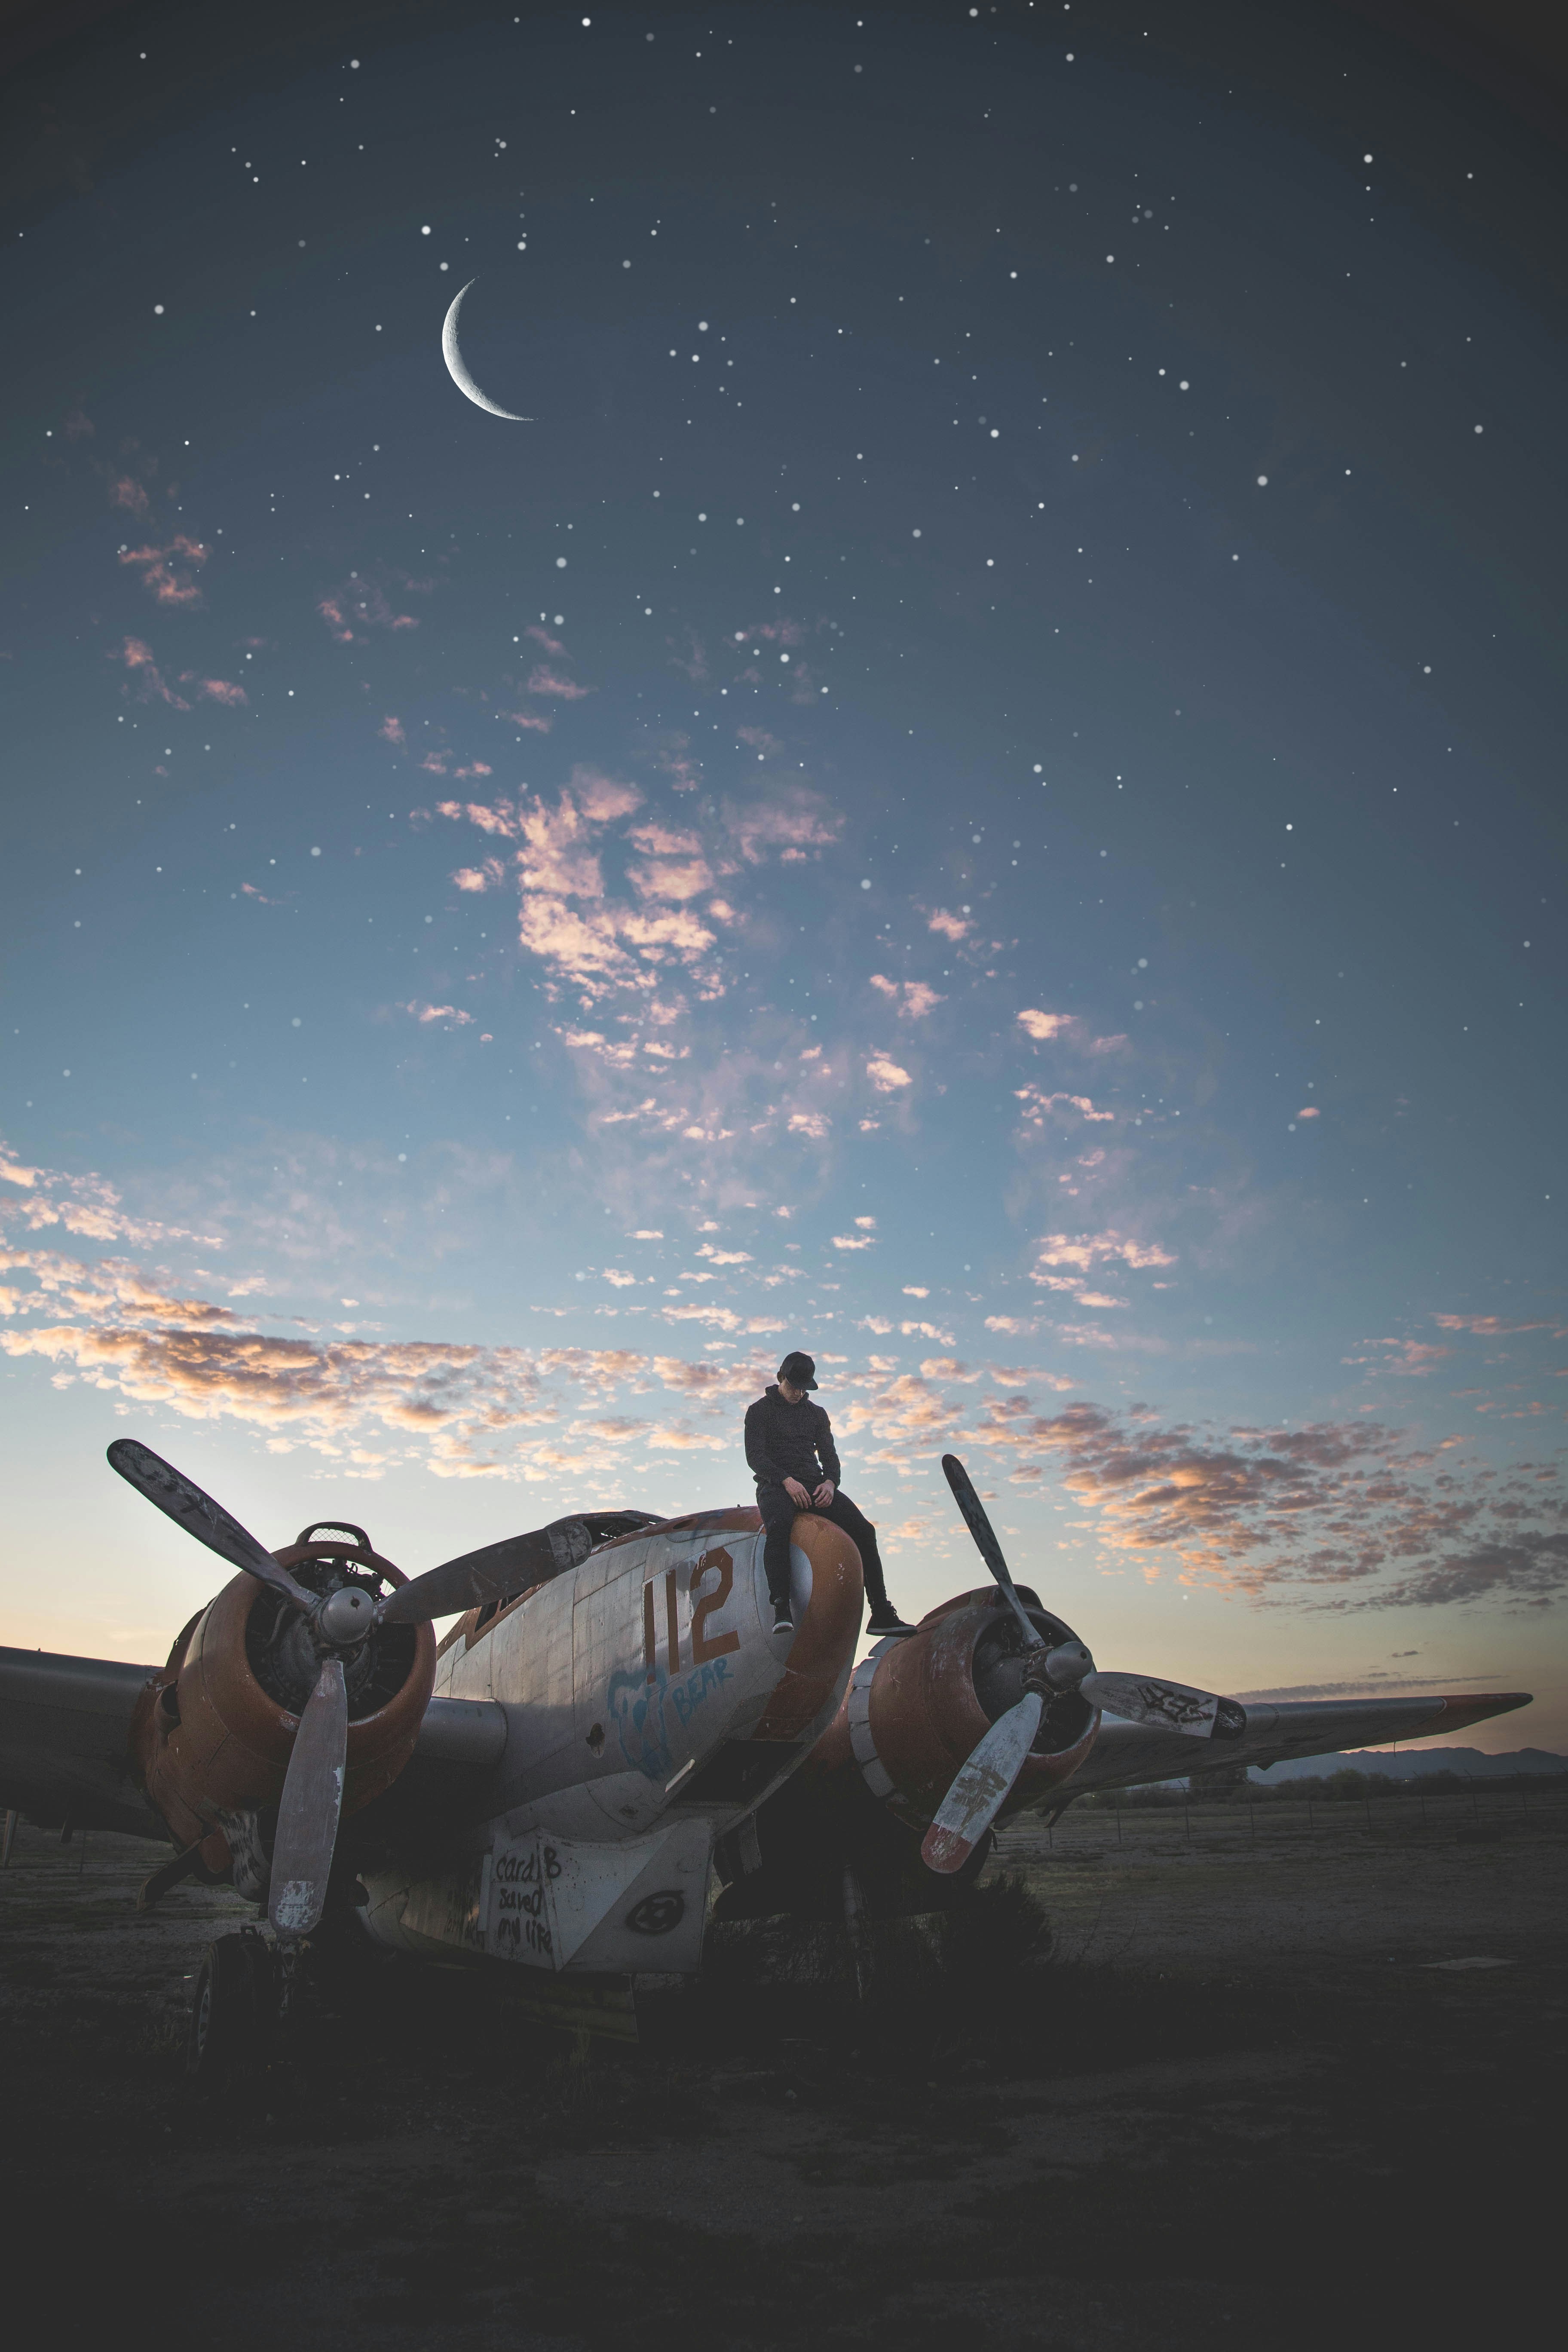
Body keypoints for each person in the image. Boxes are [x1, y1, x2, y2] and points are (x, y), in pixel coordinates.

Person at [744, 1351, 915, 1638]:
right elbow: (756, 1457)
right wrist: (786, 1481)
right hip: (776, 1485)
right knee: (779, 1527)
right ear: (781, 1378)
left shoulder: (816, 1414)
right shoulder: (759, 1411)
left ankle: (882, 1612)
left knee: (864, 1530)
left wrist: (830, 1483)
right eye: (794, 1386)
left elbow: (829, 1456)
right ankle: (781, 1607)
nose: (799, 1393)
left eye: (804, 1388)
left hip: (815, 1484)